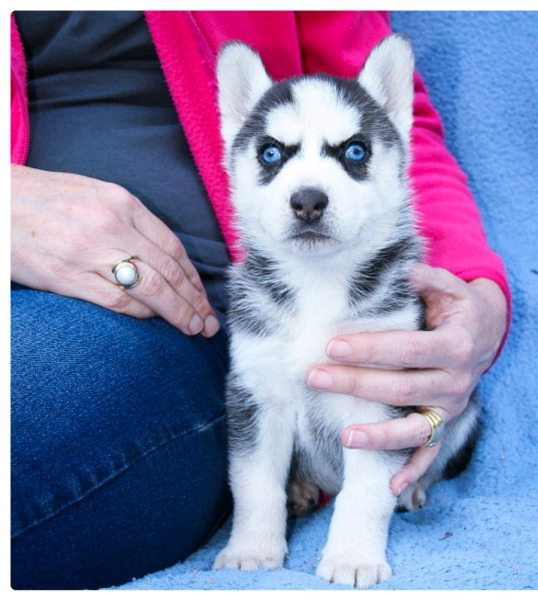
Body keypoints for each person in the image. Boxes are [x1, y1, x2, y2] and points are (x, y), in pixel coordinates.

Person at [10, 10, 510, 590]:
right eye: (273, 154)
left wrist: (476, 295)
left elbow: (406, 128)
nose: (309, 192)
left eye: (350, 153)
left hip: (174, 324)